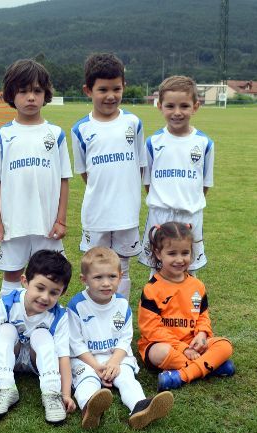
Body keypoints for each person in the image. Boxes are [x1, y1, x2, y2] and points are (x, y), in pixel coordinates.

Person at [0, 59, 72, 297]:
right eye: (23, 91)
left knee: (50, 274)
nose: (31, 97)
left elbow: (64, 179)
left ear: (45, 94)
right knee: (12, 274)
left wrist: (61, 220)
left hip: (47, 224)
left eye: (37, 91)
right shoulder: (3, 135)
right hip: (13, 222)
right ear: (11, 94)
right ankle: (9, 322)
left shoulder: (55, 134)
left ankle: (46, 323)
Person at [68, 247, 173, 429]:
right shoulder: (77, 305)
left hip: (116, 356)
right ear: (84, 279)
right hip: (86, 359)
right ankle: (89, 409)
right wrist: (96, 367)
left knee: (126, 378)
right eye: (98, 277)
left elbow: (125, 338)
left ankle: (140, 408)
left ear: (120, 276)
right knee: (87, 380)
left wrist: (115, 362)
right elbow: (75, 343)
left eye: (112, 277)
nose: (106, 283)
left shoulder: (122, 305)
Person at [0, 250, 76, 424]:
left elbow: (63, 356)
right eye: (40, 288)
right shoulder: (8, 303)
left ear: (62, 293)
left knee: (42, 334)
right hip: (13, 356)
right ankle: (5, 387)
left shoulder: (60, 315)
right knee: (6, 329)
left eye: (54, 292)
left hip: (36, 362)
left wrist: (65, 394)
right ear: (25, 281)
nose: (45, 297)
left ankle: (51, 394)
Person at [71, 53, 146, 301]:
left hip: (126, 210)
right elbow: (84, 172)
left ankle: (118, 314)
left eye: (117, 88)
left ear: (124, 86)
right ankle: (95, 313)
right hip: (97, 212)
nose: (111, 95)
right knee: (95, 265)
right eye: (102, 89)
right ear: (87, 90)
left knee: (122, 266)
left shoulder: (133, 123)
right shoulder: (80, 129)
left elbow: (140, 165)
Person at [138, 222, 235, 391]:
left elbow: (203, 316)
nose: (179, 259)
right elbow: (151, 330)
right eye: (172, 253)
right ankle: (211, 366)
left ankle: (181, 376)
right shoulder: (152, 289)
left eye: (185, 253)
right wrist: (182, 348)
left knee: (225, 345)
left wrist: (202, 335)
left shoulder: (197, 286)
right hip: (164, 345)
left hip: (193, 344)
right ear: (158, 254)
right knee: (159, 353)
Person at [139, 75, 215, 277]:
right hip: (160, 213)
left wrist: (188, 201)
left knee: (188, 267)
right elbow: (149, 183)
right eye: (170, 106)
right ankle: (156, 306)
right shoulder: (152, 142)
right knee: (158, 266)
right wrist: (164, 200)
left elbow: (204, 184)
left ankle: (188, 306)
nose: (177, 112)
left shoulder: (204, 143)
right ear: (159, 106)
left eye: (184, 106)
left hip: (190, 214)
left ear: (195, 106)